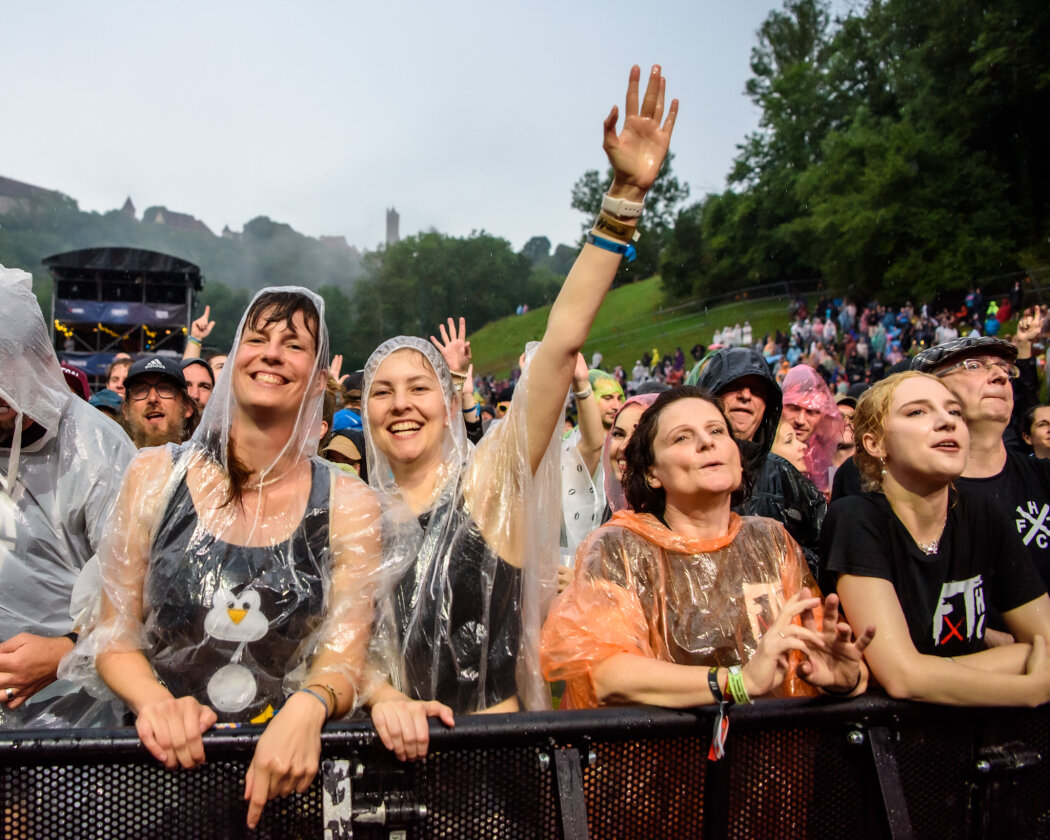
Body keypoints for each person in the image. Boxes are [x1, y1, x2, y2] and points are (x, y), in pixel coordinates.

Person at [364, 64, 678, 760]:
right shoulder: (353, 512)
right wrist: (382, 697)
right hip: (383, 759)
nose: (400, 404)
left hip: (495, 753)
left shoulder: (490, 484)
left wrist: (623, 199)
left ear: (450, 405)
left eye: (419, 386)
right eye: (381, 391)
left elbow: (562, 341)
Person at [63, 288, 391, 828]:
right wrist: (157, 703)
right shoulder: (154, 477)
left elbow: (344, 655)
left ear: (316, 376)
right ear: (234, 356)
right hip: (159, 775)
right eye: (256, 338)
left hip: (292, 781)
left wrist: (309, 706)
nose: (271, 353)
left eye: (294, 344)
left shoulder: (349, 504)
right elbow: (113, 634)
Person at [540, 387, 873, 710]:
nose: (706, 441)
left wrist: (843, 679)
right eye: (682, 437)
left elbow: (813, 645)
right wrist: (738, 682)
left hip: (770, 761)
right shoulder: (619, 547)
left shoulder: (771, 541)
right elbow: (603, 673)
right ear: (652, 472)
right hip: (662, 762)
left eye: (716, 430)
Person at [820, 372, 1050, 705]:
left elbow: (1045, 643)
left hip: (980, 740)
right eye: (917, 412)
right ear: (875, 443)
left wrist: (929, 672)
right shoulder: (856, 518)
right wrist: (1027, 688)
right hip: (887, 743)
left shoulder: (983, 513)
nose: (946, 422)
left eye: (954, 411)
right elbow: (901, 677)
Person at [0, 265, 134, 727]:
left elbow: (142, 590)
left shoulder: (98, 448)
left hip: (75, 714)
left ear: (39, 359)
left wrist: (66, 650)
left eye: (9, 358)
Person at [911, 334, 1050, 587]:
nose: (1001, 377)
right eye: (974, 365)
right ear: (929, 389)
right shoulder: (909, 502)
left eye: (1005, 369)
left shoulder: (1044, 476)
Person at [781, 364, 844, 497]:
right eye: (793, 408)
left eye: (812, 412)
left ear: (823, 415)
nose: (801, 420)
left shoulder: (827, 458)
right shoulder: (760, 451)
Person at [120, 356, 197, 448]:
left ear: (187, 407)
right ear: (126, 410)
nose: (152, 398)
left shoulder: (205, 461)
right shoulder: (109, 461)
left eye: (164, 389)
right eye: (141, 391)